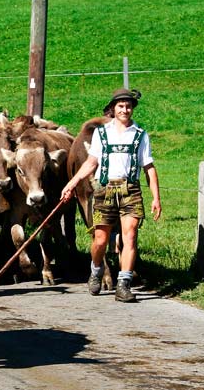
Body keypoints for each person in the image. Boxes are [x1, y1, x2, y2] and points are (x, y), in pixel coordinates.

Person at [61, 88, 161, 303]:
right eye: (121, 106)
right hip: (105, 190)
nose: (125, 110)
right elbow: (91, 162)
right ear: (113, 109)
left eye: (128, 106)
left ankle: (123, 284)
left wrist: (156, 197)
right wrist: (72, 183)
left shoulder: (140, 134)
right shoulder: (101, 133)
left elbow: (149, 167)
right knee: (100, 239)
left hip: (130, 190)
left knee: (130, 236)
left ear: (132, 109)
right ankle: (96, 269)